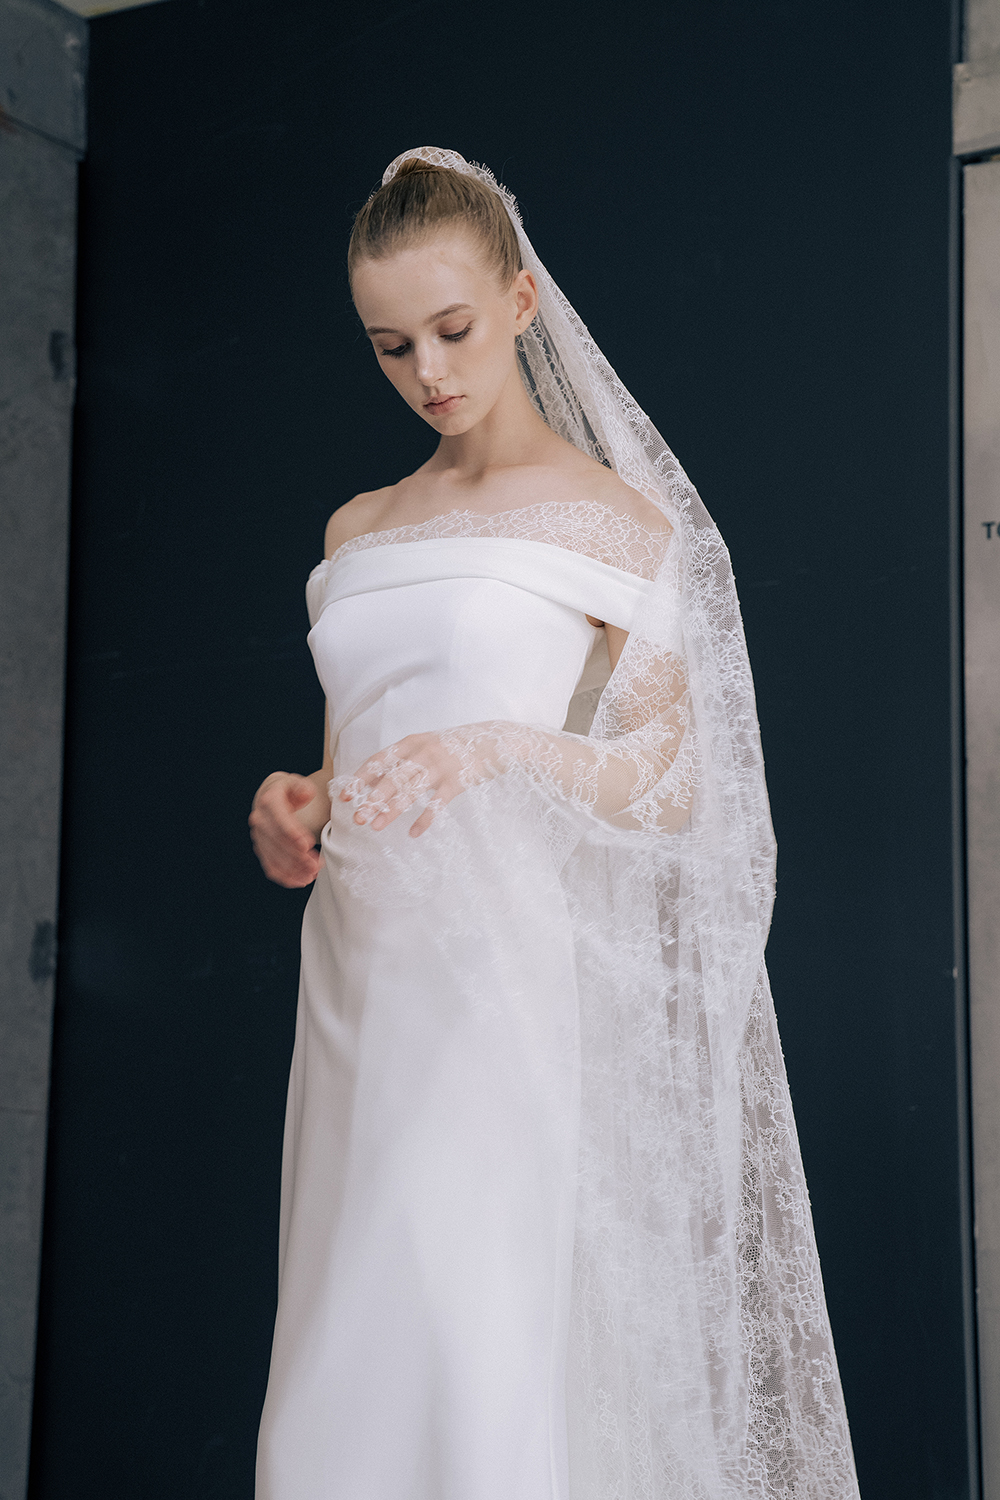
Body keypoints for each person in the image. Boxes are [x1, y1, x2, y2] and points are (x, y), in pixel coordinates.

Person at [250, 147, 860, 1500]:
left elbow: (675, 782)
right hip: (354, 981)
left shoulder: (616, 523)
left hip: (498, 982)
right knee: (340, 1358)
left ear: (522, 302)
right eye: (392, 347)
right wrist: (295, 804)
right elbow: (354, 764)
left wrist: (504, 747)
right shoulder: (357, 531)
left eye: (453, 330)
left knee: (475, 1342)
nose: (428, 373)